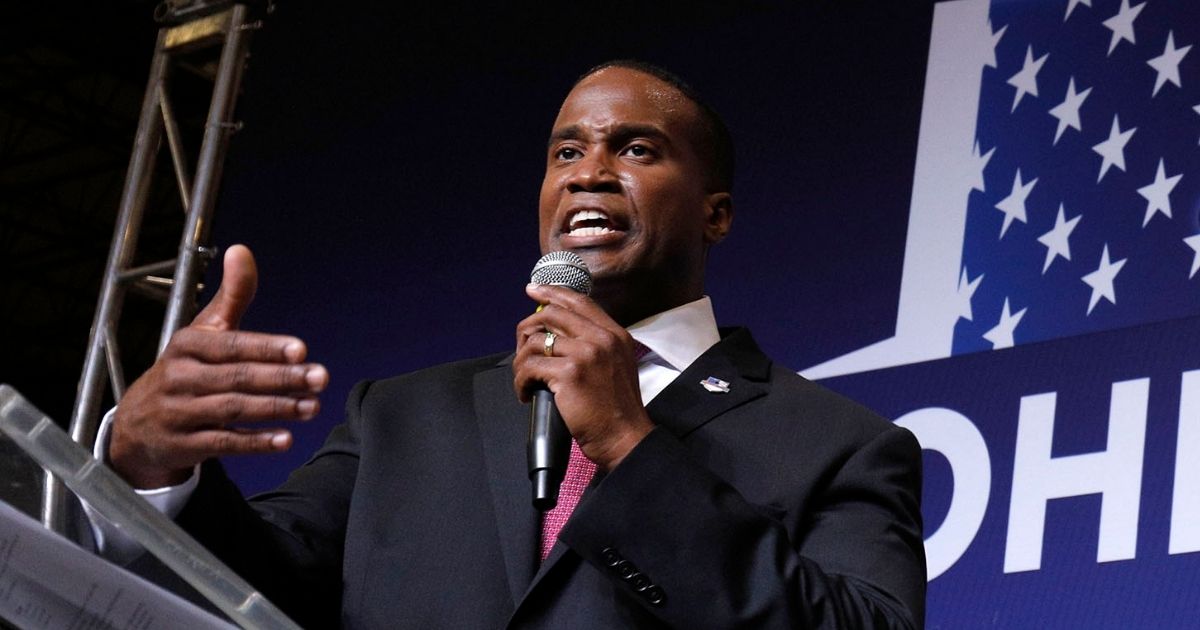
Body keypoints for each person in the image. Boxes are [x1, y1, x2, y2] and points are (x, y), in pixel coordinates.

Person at [94, 60, 926, 628]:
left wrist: (628, 446)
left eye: (636, 148)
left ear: (716, 214)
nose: (587, 172)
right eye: (567, 150)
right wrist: (151, 469)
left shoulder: (839, 445)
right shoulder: (400, 416)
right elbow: (253, 582)